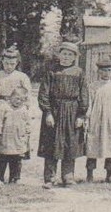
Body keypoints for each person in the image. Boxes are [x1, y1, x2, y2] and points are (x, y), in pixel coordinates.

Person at [38, 41, 90, 189]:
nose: (66, 57)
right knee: (51, 143)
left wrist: (81, 115)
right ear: (59, 55)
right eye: (64, 53)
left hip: (72, 111)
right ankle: (50, 178)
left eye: (70, 54)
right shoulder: (51, 71)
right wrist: (47, 112)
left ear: (74, 57)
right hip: (54, 111)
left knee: (70, 143)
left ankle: (68, 176)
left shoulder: (79, 72)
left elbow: (84, 95)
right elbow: (43, 93)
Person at [0, 47, 35, 164]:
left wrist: (25, 107)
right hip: (1, 109)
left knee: (17, 140)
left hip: (17, 110)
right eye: (6, 63)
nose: (9, 66)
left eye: (12, 64)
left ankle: (15, 176)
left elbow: (27, 94)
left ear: (17, 63)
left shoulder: (22, 76)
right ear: (2, 61)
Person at [83, 58, 111, 184]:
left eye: (108, 70)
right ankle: (89, 175)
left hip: (110, 121)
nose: (106, 73)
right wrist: (87, 119)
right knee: (92, 146)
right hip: (96, 120)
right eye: (103, 71)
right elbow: (89, 104)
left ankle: (109, 175)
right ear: (98, 72)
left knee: (110, 146)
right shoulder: (92, 86)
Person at [0, 84, 34, 185]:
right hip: (5, 138)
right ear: (10, 97)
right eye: (16, 98)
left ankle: (15, 178)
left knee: (17, 159)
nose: (18, 101)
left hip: (18, 138)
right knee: (2, 158)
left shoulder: (24, 110)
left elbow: (28, 123)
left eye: (21, 100)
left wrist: (27, 135)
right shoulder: (4, 108)